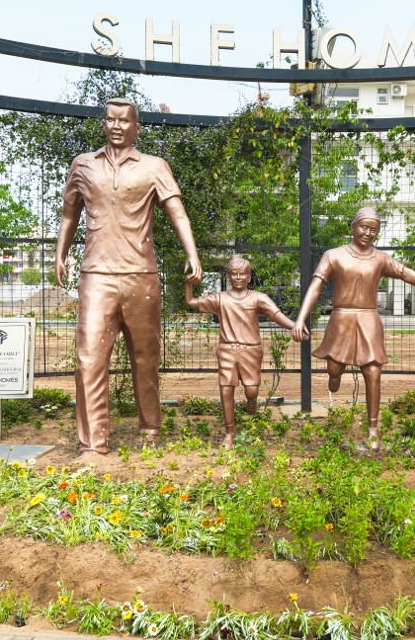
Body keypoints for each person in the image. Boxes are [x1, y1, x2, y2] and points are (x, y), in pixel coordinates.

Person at [54, 98, 202, 453]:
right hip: (96, 276)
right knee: (89, 358)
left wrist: (192, 252)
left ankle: (150, 429)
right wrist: (60, 253)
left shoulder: (154, 167)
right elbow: (69, 214)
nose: (116, 126)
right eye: (110, 119)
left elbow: (177, 212)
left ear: (138, 127)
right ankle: (94, 443)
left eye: (124, 120)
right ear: (103, 124)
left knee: (146, 357)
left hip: (141, 276)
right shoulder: (83, 165)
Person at [293, 208, 415, 448]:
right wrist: (300, 319)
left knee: (373, 370)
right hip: (341, 317)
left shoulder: (380, 258)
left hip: (369, 318)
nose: (368, 233)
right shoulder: (333, 255)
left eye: (374, 230)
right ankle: (334, 376)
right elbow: (315, 287)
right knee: (334, 367)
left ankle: (373, 429)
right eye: (364, 227)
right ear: (352, 227)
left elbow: (406, 274)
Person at [185, 257, 303, 448]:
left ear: (249, 276)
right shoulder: (220, 298)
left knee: (252, 389)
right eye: (234, 274)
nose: (238, 277)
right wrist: (189, 284)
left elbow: (276, 315)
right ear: (228, 276)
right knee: (226, 389)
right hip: (227, 349)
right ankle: (230, 432)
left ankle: (252, 401)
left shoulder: (258, 298)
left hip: (251, 350)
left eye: (242, 274)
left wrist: (294, 326)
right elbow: (191, 302)